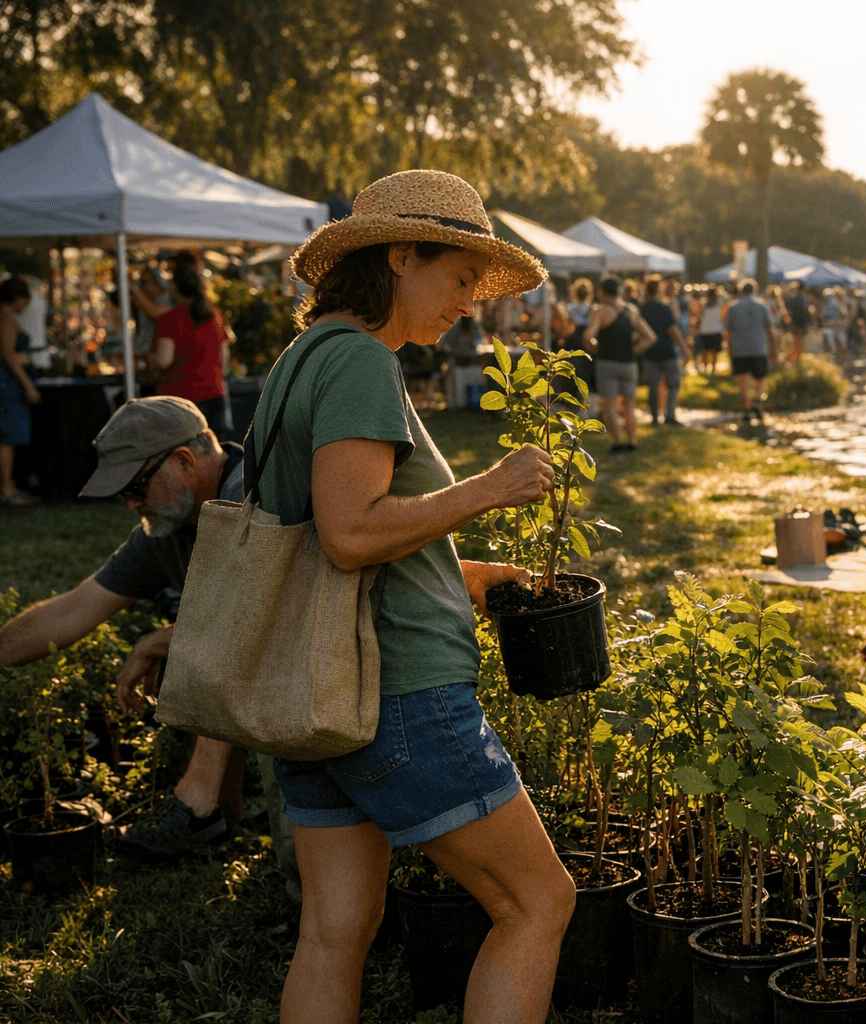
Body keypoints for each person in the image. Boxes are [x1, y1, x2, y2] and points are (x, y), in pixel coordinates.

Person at [272, 168, 573, 1023]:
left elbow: (328, 534)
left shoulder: (301, 362)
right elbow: (350, 531)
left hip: (319, 685)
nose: (471, 301)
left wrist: (459, 574)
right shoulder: (364, 362)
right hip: (397, 692)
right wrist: (489, 485)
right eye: (460, 276)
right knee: (538, 902)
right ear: (400, 256)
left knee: (336, 931)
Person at [0, 397, 251, 855]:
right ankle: (221, 816)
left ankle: (200, 808)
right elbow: (73, 609)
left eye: (135, 486)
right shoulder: (166, 527)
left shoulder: (255, 494)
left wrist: (157, 642)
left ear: (183, 461)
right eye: (123, 494)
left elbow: (255, 623)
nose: (131, 504)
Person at [153, 262, 234, 439]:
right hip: (215, 394)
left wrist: (148, 358)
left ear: (175, 286)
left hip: (181, 400)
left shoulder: (169, 319)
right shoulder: (216, 316)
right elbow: (224, 358)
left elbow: (163, 360)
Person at [583, 276, 656, 451]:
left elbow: (588, 336)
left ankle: (618, 442)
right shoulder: (631, 310)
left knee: (610, 407)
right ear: (619, 291)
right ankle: (632, 441)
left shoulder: (601, 311)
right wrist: (635, 350)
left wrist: (593, 349)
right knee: (629, 406)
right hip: (629, 364)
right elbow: (650, 337)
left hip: (607, 363)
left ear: (602, 293)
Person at [1, 275, 41, 505]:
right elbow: (8, 354)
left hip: (7, 382)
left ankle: (8, 484)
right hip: (8, 384)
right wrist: (28, 384)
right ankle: (6, 487)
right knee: (7, 437)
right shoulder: (5, 318)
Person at [721, 280, 777, 423]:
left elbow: (728, 332)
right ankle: (758, 402)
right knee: (759, 380)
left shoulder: (733, 308)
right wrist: (774, 348)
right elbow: (770, 329)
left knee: (743, 383)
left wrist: (729, 349)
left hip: (739, 349)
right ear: (755, 290)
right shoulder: (762, 305)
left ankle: (746, 410)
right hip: (758, 348)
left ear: (740, 291)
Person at [639, 277, 689, 426]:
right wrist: (684, 348)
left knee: (652, 387)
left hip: (649, 353)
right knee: (673, 385)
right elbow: (674, 331)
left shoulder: (641, 310)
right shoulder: (664, 308)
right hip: (667, 352)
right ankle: (669, 414)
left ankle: (654, 417)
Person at [694, 285, 726, 376]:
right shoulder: (720, 304)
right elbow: (723, 318)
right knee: (714, 353)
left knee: (705, 351)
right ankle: (712, 370)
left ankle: (705, 368)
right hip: (716, 330)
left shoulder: (703, 304)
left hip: (705, 331)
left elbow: (699, 317)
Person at [783, 281, 812, 363]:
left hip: (795, 323)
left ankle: (791, 359)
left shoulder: (794, 298)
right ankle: (790, 359)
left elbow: (788, 311)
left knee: (797, 343)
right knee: (798, 343)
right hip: (800, 323)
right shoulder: (803, 298)